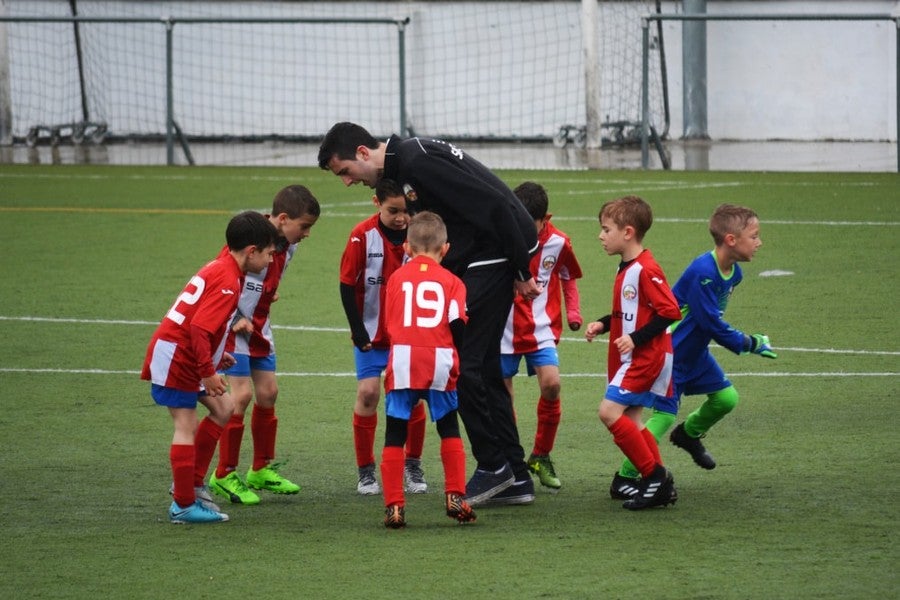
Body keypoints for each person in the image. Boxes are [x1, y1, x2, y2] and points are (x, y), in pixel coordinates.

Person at [319, 122, 542, 507]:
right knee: (486, 366)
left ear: (361, 153)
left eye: (344, 172)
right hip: (489, 253)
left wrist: (521, 269)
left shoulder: (416, 162)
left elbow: (495, 203)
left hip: (497, 253)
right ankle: (515, 475)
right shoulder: (407, 162)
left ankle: (493, 466)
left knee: (464, 364)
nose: (347, 182)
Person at [609, 204, 777, 498]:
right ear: (731, 240)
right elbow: (710, 322)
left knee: (726, 398)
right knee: (660, 419)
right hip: (670, 356)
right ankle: (626, 475)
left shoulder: (734, 274)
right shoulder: (703, 272)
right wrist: (749, 343)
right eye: (755, 235)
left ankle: (688, 434)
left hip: (696, 354)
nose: (759, 242)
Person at [141, 211, 278, 524]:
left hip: (187, 353)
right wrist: (208, 371)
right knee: (185, 426)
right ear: (252, 251)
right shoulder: (229, 280)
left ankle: (193, 483)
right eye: (269, 254)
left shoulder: (225, 269)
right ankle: (183, 505)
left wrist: (219, 357)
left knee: (224, 407)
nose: (271, 261)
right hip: (179, 355)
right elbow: (199, 329)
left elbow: (206, 324)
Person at [208, 186, 321, 505]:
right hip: (234, 325)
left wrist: (268, 294)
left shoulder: (289, 246)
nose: (307, 234)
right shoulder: (250, 234)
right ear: (283, 219)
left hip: (259, 325)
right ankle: (224, 474)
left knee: (268, 393)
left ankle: (260, 469)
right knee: (240, 396)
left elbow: (268, 279)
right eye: (305, 226)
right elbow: (222, 276)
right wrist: (234, 318)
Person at [584, 196, 682, 510]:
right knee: (634, 420)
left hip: (645, 356)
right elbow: (630, 310)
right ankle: (658, 484)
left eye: (605, 229)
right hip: (636, 354)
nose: (600, 236)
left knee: (608, 412)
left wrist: (635, 339)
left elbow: (669, 311)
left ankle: (654, 476)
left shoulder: (646, 269)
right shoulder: (628, 266)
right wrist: (603, 324)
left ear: (628, 232)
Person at [380, 211, 476, 528]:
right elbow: (456, 324)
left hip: (404, 358)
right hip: (439, 359)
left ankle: (394, 506)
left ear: (406, 248)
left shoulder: (396, 279)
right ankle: (455, 496)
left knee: (395, 432)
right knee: (448, 427)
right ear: (445, 249)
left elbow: (391, 322)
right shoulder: (453, 281)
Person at [339, 178, 428, 496]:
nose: (401, 218)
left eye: (405, 211)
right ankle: (365, 472)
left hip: (408, 334)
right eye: (393, 211)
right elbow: (347, 284)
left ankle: (413, 464)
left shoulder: (418, 237)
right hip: (370, 334)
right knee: (367, 394)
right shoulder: (361, 236)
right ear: (377, 204)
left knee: (413, 397)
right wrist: (358, 328)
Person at [500, 181, 583, 495]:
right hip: (503, 329)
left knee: (552, 384)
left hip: (541, 328)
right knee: (502, 399)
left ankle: (541, 455)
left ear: (545, 218)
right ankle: (511, 460)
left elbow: (568, 276)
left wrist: (573, 311)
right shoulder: (501, 237)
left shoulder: (559, 243)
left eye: (529, 224)